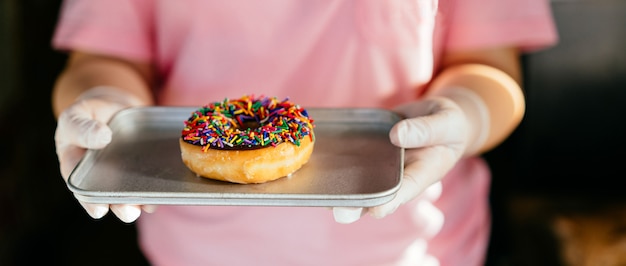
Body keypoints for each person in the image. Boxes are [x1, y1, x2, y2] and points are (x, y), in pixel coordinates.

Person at [51, 1, 558, 265]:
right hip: (196, 251)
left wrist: (465, 113)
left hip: (420, 249)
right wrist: (106, 108)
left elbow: (490, 68)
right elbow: (104, 58)